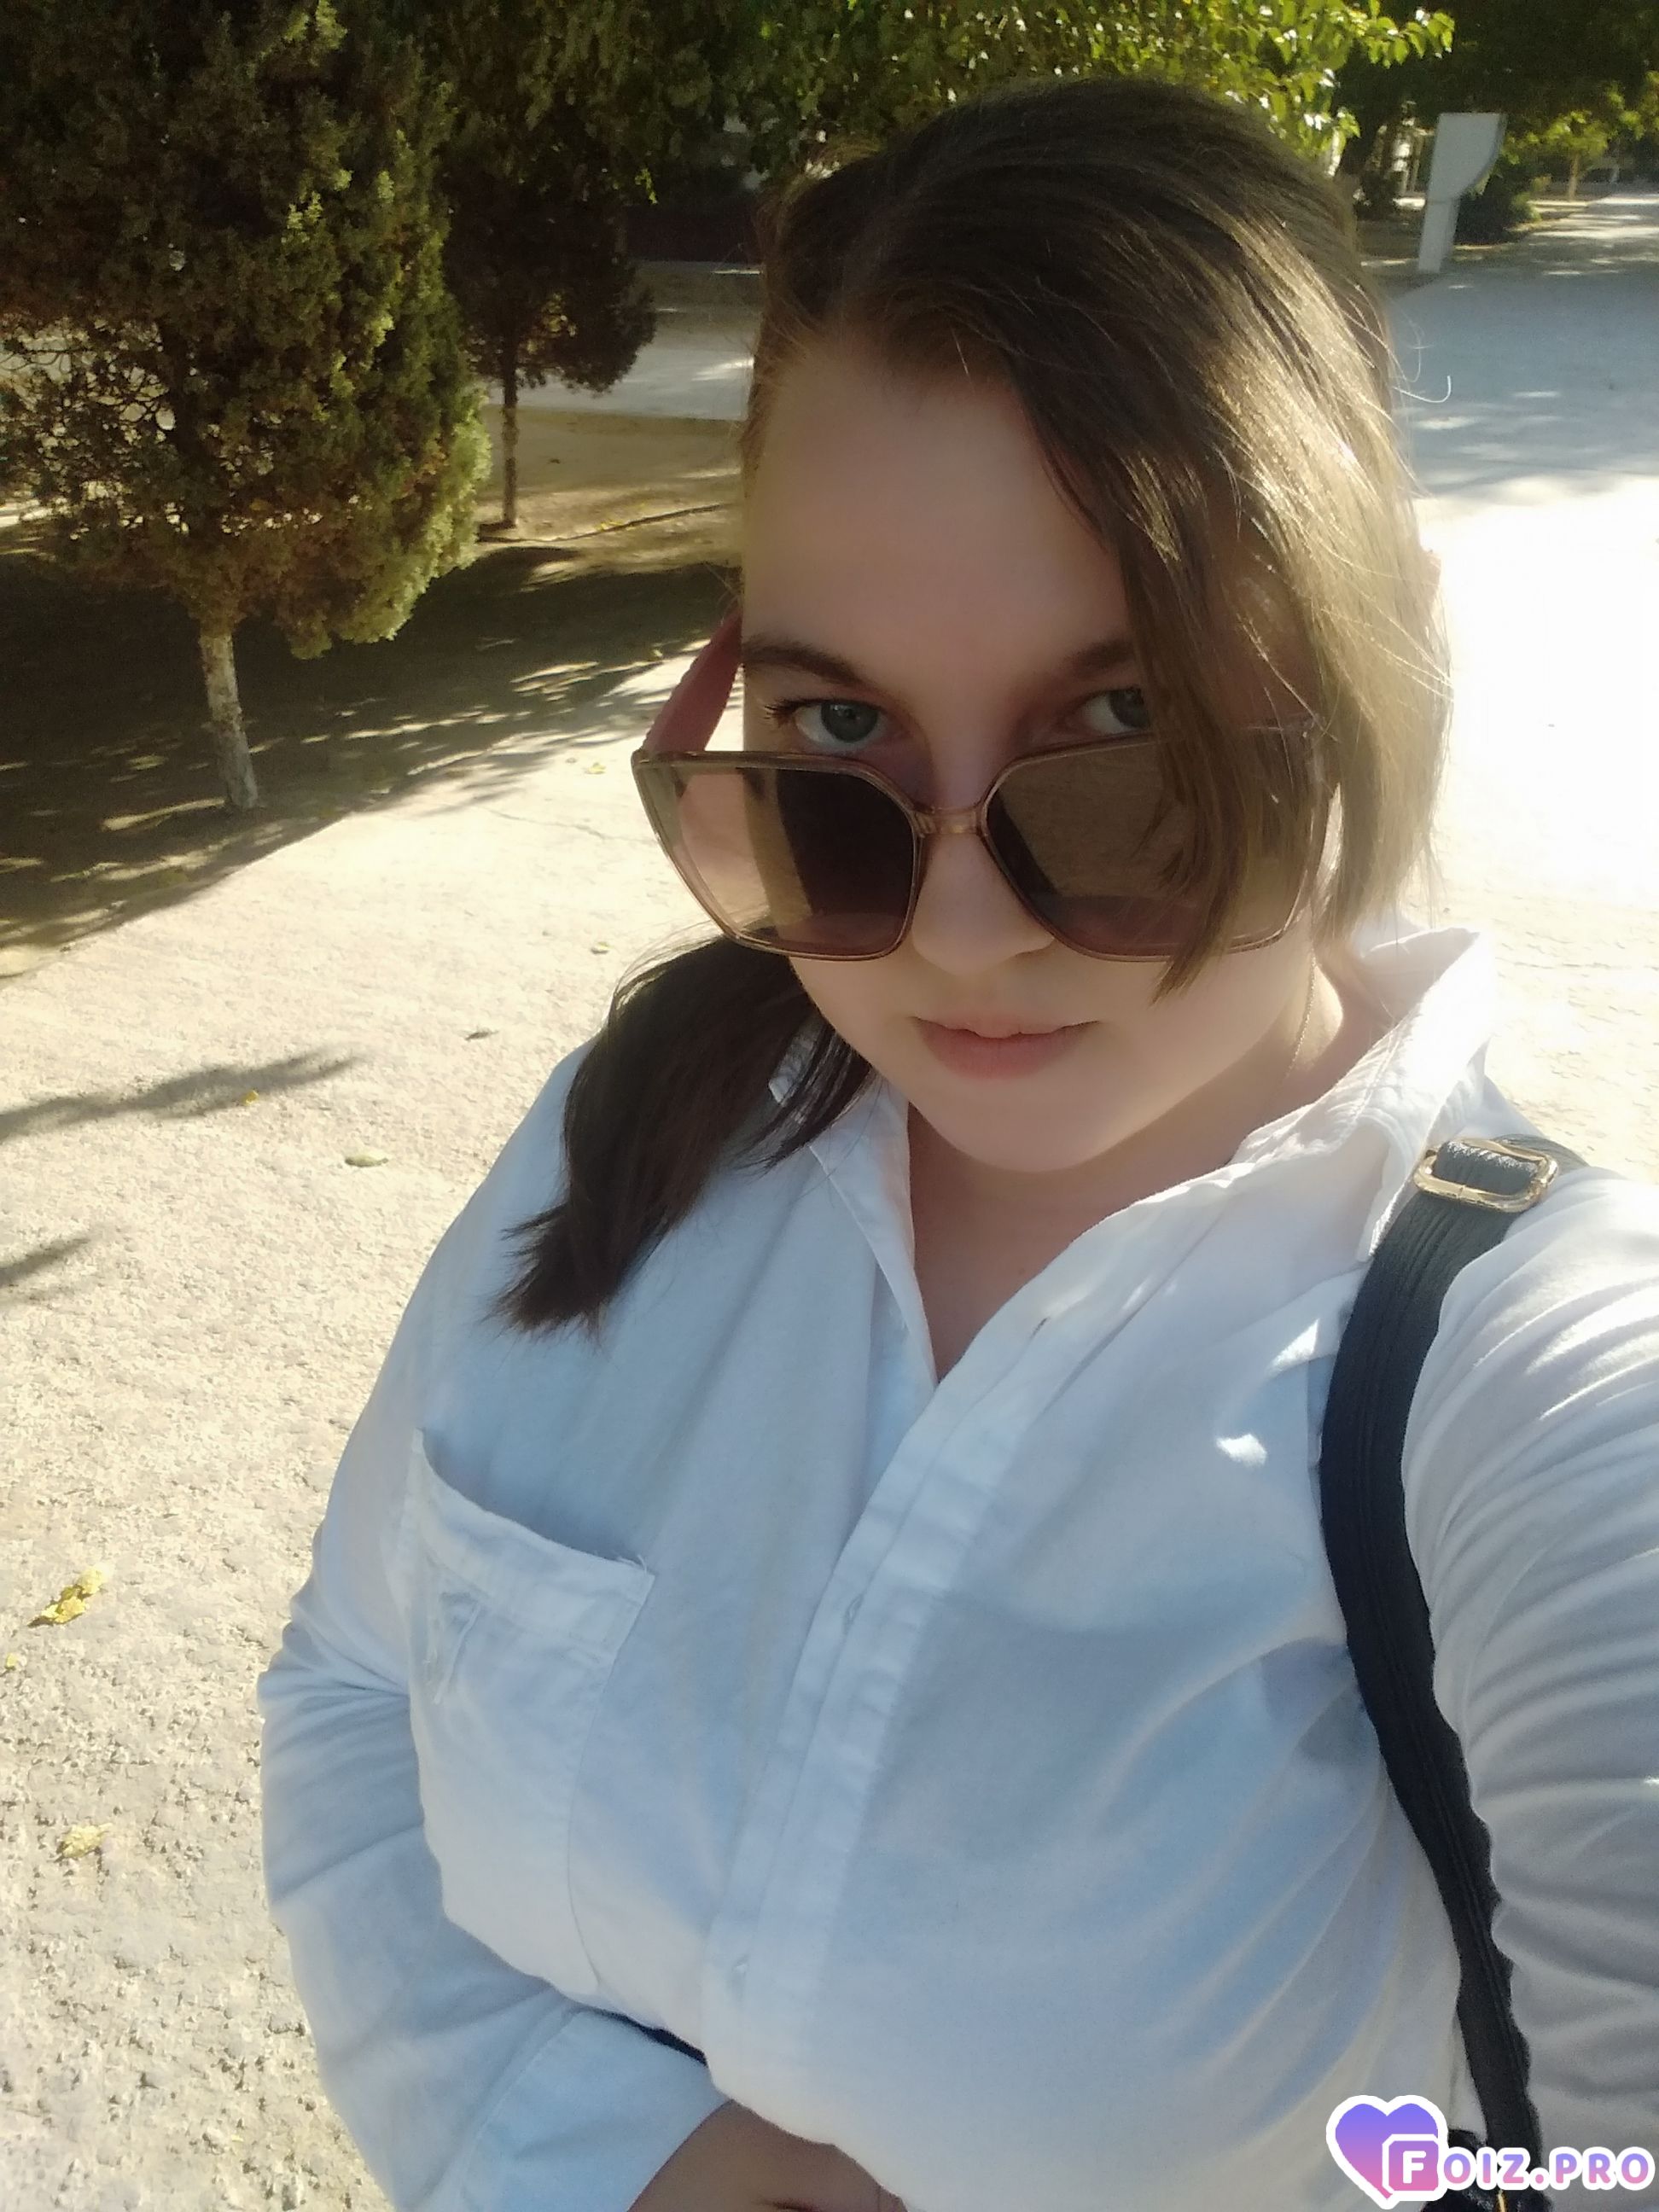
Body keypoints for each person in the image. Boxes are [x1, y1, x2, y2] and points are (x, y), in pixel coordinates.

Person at [256, 73, 1659, 2212]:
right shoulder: (643, 1125)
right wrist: (606, 2159)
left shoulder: (1551, 1402)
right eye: (838, 734)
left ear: (1399, 659)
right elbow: (357, 1691)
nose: (962, 930)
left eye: (1126, 736)